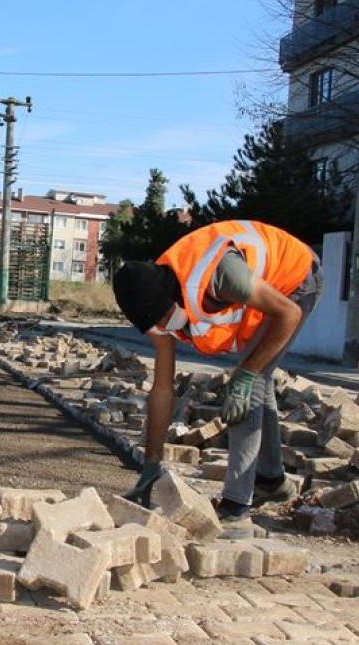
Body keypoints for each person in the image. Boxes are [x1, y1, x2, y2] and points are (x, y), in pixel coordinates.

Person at [112, 219, 322, 520]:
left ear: (171, 299)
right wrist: (151, 464)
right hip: (262, 289)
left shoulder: (220, 274)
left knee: (249, 380)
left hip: (298, 279)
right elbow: (162, 388)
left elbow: (289, 313)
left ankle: (236, 507)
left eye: (165, 320)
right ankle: (272, 481)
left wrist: (247, 374)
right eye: (156, 327)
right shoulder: (154, 305)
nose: (164, 330)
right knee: (254, 379)